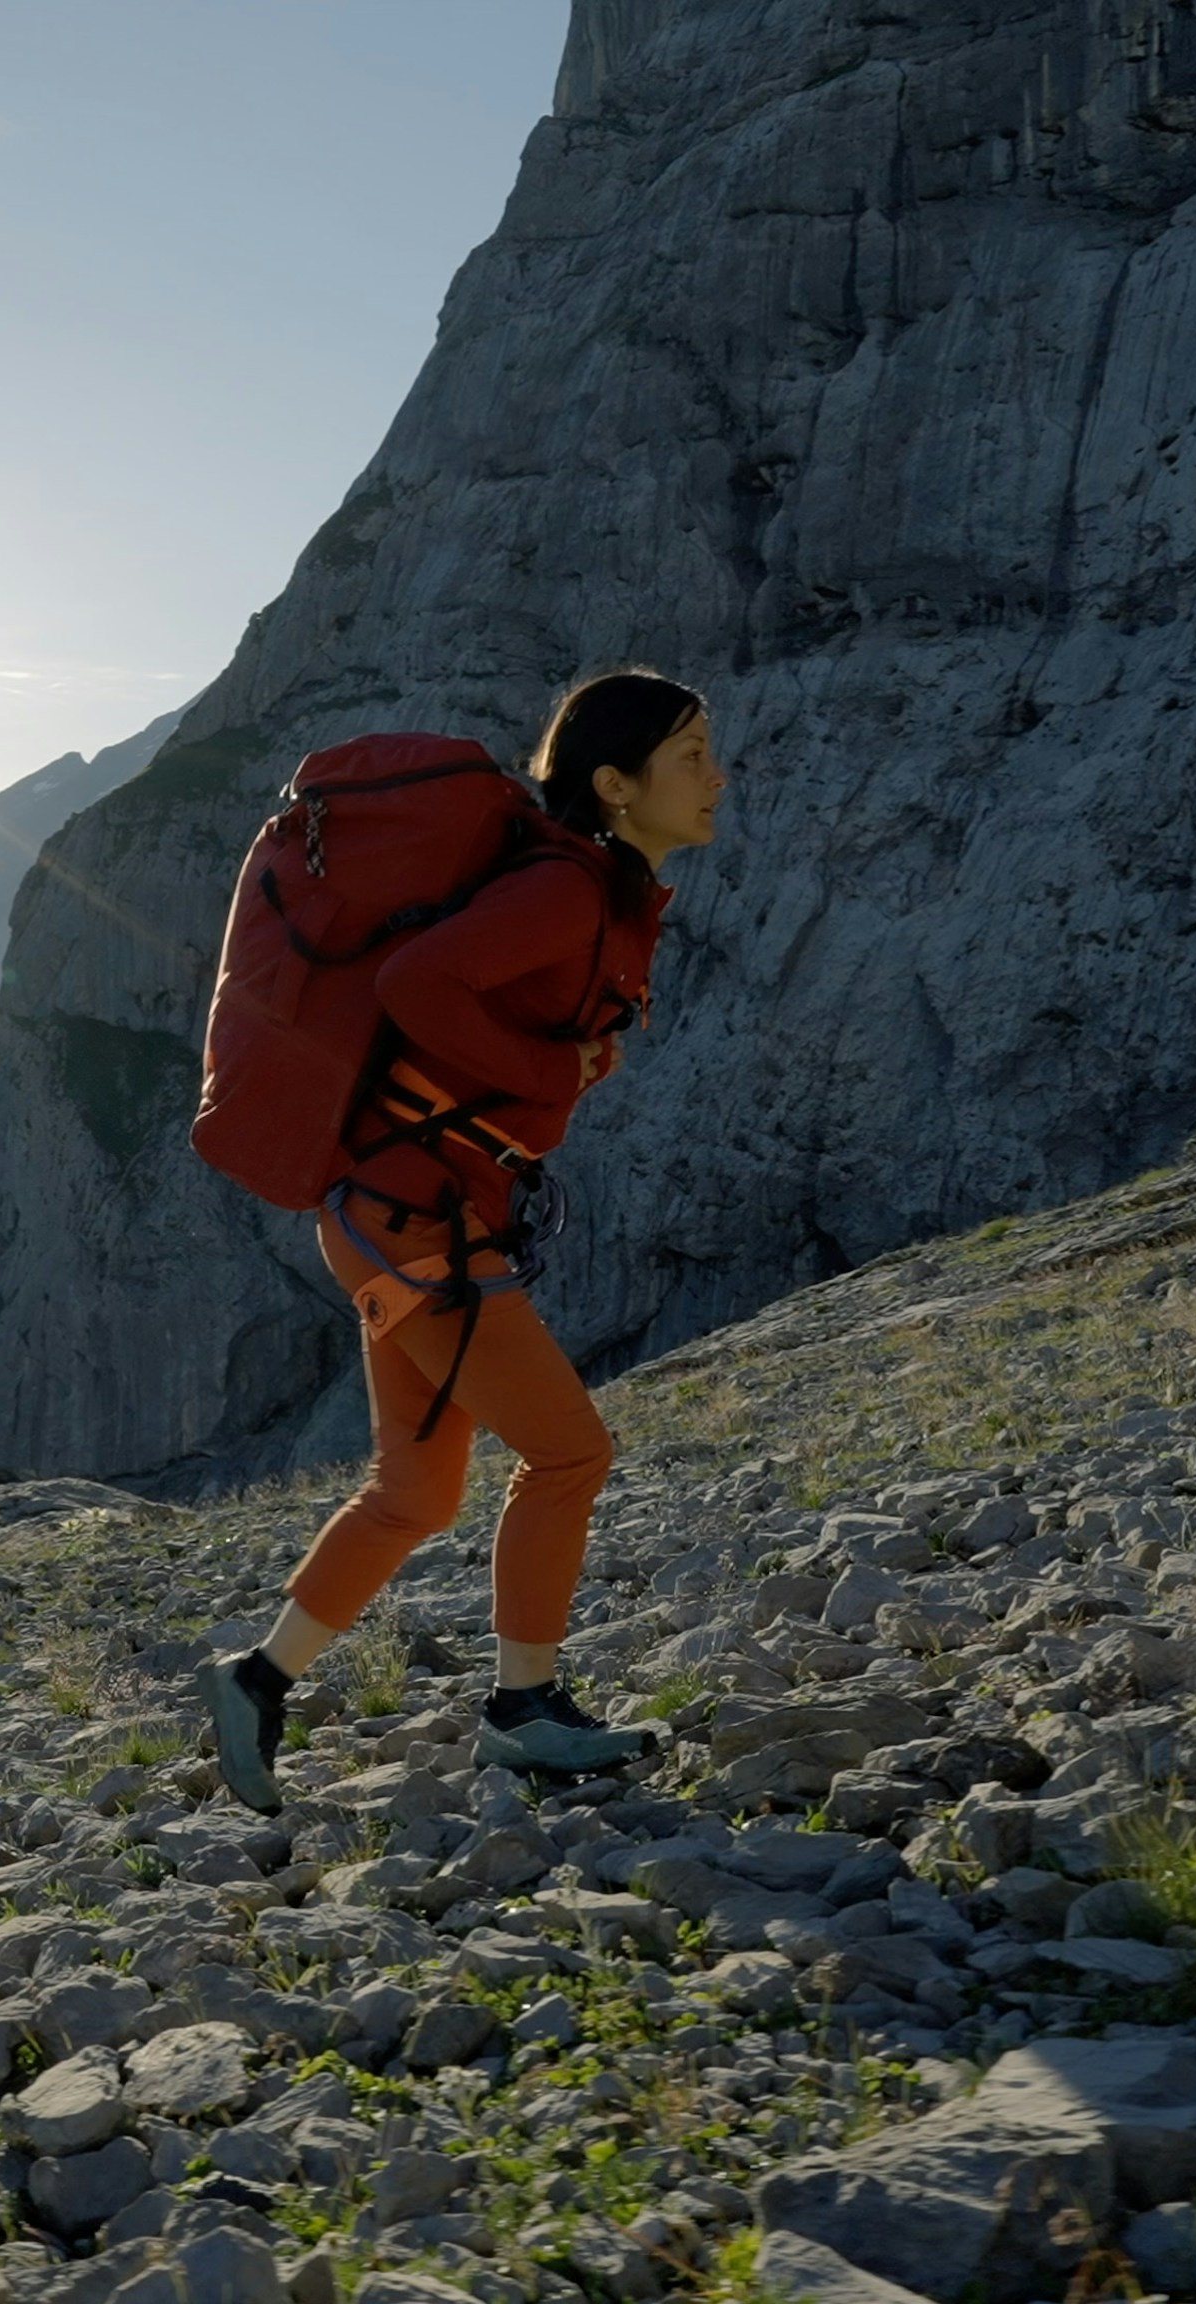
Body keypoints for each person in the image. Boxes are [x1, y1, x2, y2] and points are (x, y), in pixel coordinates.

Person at [201, 672, 727, 1809]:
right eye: (689, 755)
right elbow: (415, 980)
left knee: (414, 1493)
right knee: (569, 1454)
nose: (714, 775)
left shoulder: (589, 890)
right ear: (613, 786)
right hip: (416, 1222)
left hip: (403, 1212)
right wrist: (549, 1072)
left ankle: (254, 1681)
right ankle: (523, 1711)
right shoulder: (568, 893)